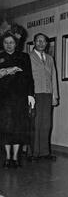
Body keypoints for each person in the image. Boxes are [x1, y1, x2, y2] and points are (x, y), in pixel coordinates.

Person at [0, 32, 35, 168]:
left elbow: (29, 78)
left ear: (16, 43)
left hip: (19, 97)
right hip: (3, 98)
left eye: (11, 42)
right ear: (2, 43)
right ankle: (7, 157)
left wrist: (31, 95)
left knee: (18, 127)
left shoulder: (24, 57)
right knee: (5, 127)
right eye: (6, 42)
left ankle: (15, 158)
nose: (9, 45)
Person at [29, 33, 59, 160]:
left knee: (46, 123)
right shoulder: (28, 57)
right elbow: (26, 78)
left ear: (46, 43)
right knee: (35, 123)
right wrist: (28, 95)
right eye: (38, 41)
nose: (41, 43)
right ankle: (34, 153)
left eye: (43, 41)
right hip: (34, 94)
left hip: (47, 94)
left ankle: (45, 152)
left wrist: (54, 96)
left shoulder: (50, 58)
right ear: (34, 43)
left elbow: (54, 77)